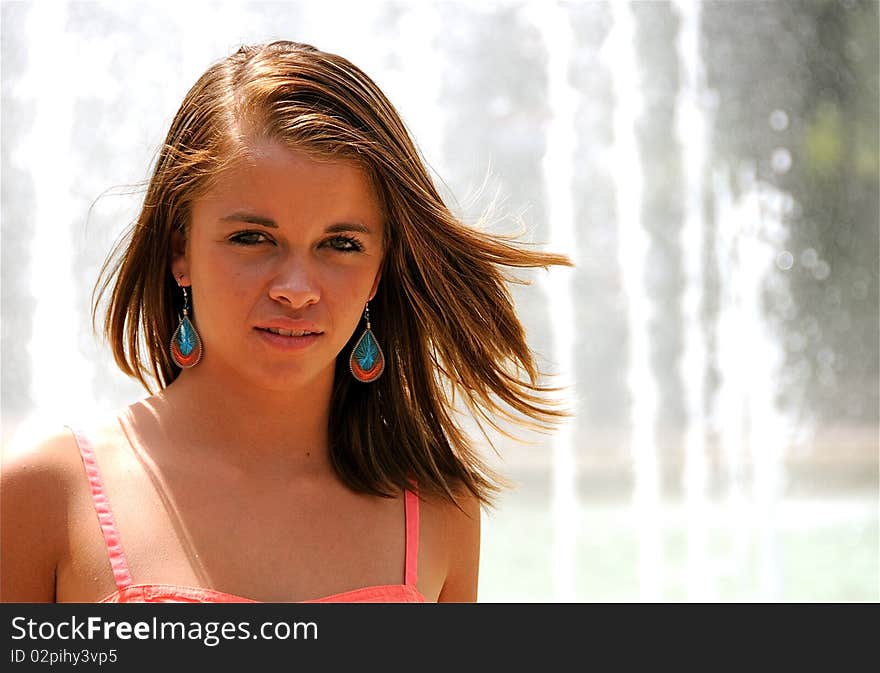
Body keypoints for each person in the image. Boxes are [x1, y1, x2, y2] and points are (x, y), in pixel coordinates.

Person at [1, 40, 571, 603]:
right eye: (252, 238)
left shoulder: (439, 507)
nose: (296, 290)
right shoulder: (46, 495)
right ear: (181, 250)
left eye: (341, 244)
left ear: (379, 271)